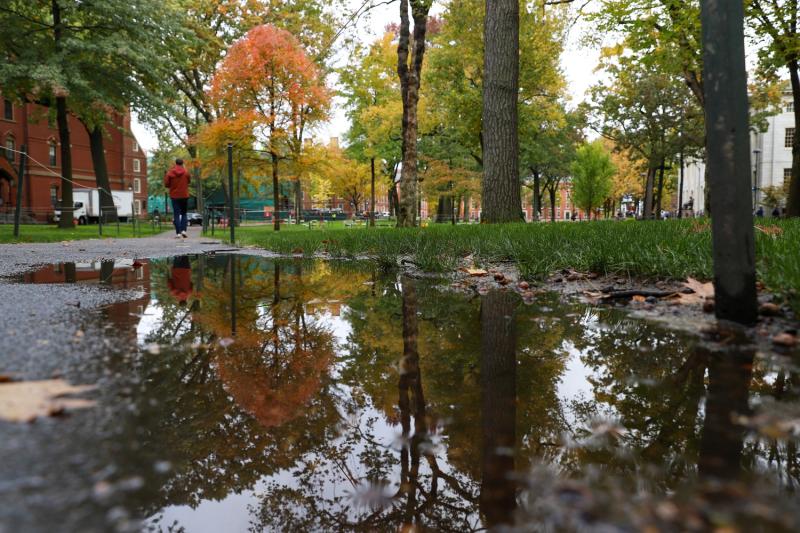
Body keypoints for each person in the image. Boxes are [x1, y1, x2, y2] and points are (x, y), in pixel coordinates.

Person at [164, 158, 191, 238]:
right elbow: (189, 181)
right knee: (184, 213)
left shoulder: (170, 173)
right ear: (182, 163)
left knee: (176, 214)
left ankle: (178, 233)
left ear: (175, 163)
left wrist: (172, 185)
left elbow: (166, 184)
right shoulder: (186, 172)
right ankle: (184, 231)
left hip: (174, 196)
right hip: (184, 195)